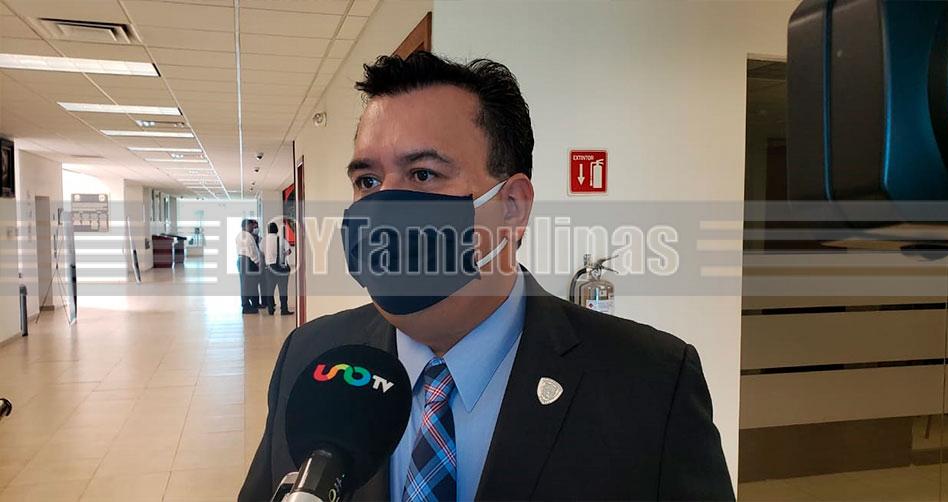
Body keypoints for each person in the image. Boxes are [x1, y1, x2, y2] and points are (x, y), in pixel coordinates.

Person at [240, 52, 734, 501]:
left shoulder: (652, 384)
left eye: (423, 174)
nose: (382, 207)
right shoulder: (311, 359)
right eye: (367, 181)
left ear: (511, 206)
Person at [259, 221, 294, 316]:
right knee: (283, 289)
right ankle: (284, 309)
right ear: (277, 230)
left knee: (270, 289)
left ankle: (271, 309)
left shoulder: (264, 241)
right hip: (281, 268)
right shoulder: (281, 239)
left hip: (269, 267)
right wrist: (283, 255)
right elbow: (289, 251)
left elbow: (261, 252)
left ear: (268, 230)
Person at [235, 218, 260, 314]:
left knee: (245, 284)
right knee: (249, 284)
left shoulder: (239, 235)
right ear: (247, 226)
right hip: (248, 261)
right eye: (251, 226)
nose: (253, 228)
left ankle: (251, 304)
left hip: (241, 260)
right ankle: (246, 306)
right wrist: (257, 262)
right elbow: (252, 251)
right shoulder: (248, 236)